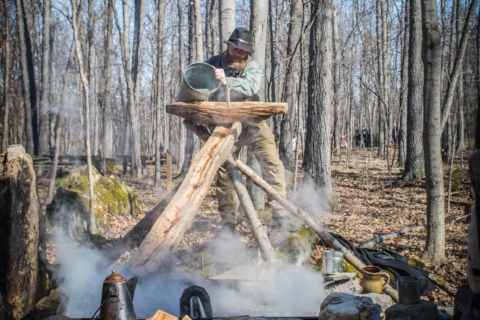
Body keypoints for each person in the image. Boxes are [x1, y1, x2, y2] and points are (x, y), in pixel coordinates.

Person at [204, 27, 289, 232]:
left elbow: (250, 86)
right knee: (224, 174)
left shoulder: (253, 67)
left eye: (243, 51)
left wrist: (226, 81)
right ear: (228, 46)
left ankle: (281, 218)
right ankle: (228, 224)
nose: (239, 53)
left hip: (253, 122)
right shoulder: (210, 64)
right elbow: (196, 85)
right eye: (236, 49)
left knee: (272, 165)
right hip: (223, 123)